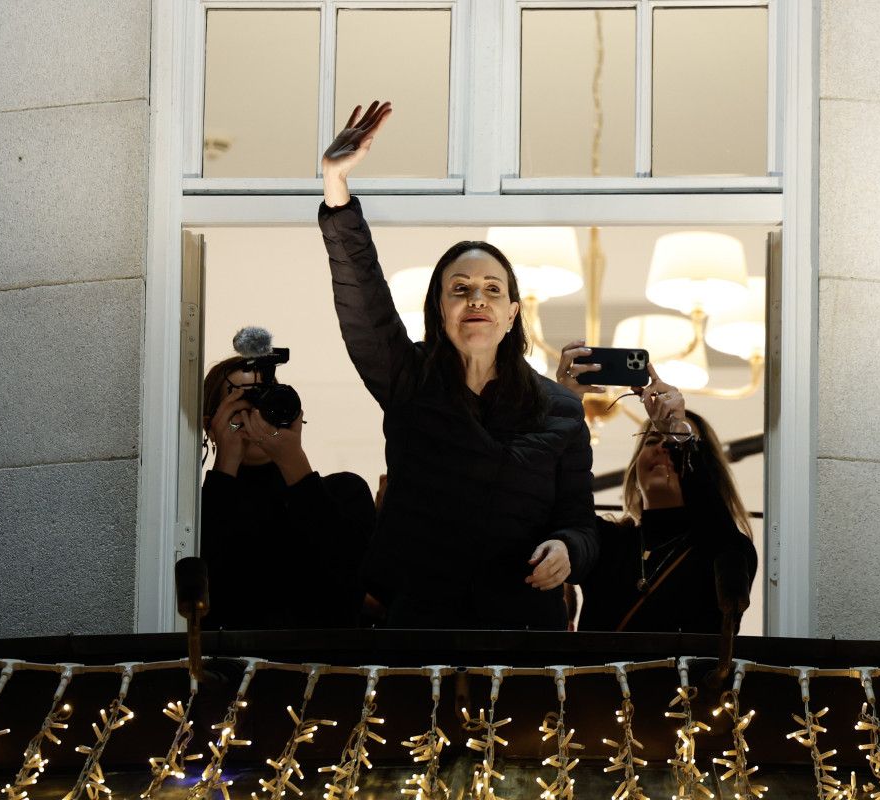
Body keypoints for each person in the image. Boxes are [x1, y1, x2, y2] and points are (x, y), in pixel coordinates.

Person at [317, 100, 597, 629]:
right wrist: (336, 187)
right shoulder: (407, 382)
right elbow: (363, 301)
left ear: (512, 313)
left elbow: (581, 522)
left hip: (522, 632)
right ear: (439, 309)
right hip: (420, 627)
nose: (477, 299)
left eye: (492, 289)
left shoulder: (560, 407)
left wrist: (567, 548)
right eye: (460, 289)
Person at [557, 341, 757, 633]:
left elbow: (720, 537)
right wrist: (562, 408)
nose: (664, 447)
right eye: (652, 440)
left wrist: (679, 433)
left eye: (674, 444)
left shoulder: (726, 546)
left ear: (706, 468)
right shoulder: (607, 541)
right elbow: (559, 500)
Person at [199, 355, 375, 629]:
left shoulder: (344, 493)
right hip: (228, 656)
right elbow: (203, 595)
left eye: (264, 401)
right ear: (211, 426)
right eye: (240, 406)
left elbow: (350, 586)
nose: (255, 416)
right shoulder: (195, 514)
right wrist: (225, 464)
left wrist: (294, 460)